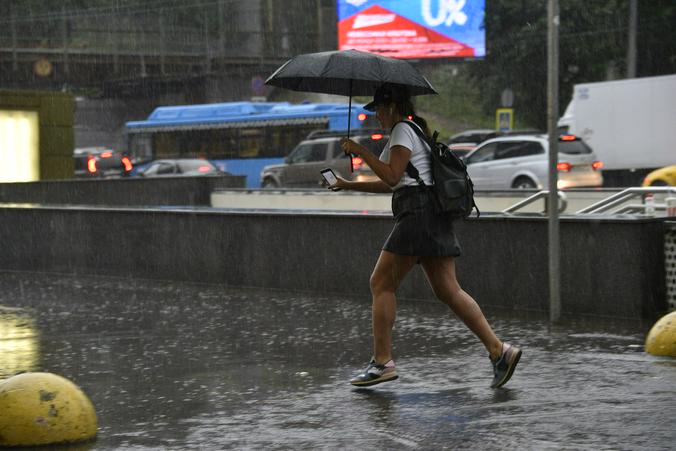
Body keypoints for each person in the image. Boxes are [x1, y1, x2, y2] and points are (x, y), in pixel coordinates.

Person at [328, 83, 521, 388]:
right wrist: (347, 184)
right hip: (433, 216)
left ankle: (382, 362)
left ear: (392, 106)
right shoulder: (410, 131)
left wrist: (361, 150)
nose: (376, 115)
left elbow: (392, 176)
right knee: (449, 291)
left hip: (417, 216)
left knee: (380, 283)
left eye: (378, 108)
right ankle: (500, 351)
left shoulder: (403, 130)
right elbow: (393, 182)